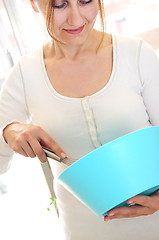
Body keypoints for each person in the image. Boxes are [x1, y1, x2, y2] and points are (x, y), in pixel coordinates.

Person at [0, 0, 159, 239]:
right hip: (82, 231)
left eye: (86, 1)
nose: (76, 19)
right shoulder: (25, 74)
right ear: (34, 3)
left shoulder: (137, 54)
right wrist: (8, 132)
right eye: (59, 5)